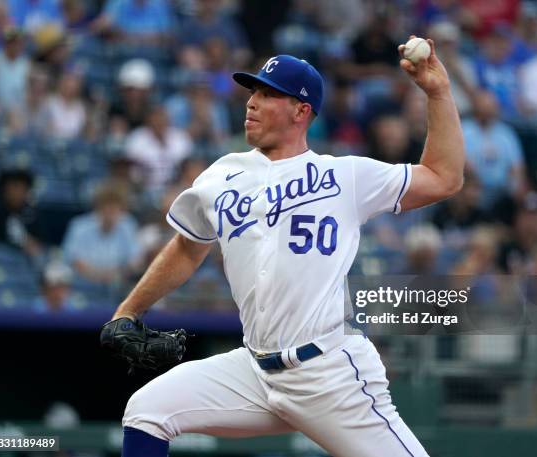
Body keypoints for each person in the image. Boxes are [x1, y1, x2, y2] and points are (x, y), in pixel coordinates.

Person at [105, 40, 464, 457]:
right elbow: (188, 247)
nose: (252, 103)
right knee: (147, 411)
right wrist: (128, 311)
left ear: (301, 110)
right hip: (255, 372)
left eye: (269, 94)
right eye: (252, 92)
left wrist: (437, 94)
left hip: (328, 372)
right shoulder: (223, 174)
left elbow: (443, 177)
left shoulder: (344, 175)